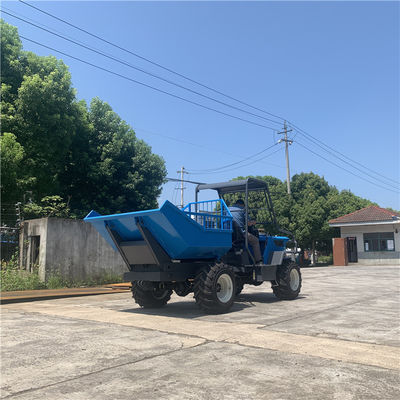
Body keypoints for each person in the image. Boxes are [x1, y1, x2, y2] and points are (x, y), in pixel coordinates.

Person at [229, 199, 263, 264]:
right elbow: (249, 223)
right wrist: (253, 222)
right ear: (242, 204)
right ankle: (259, 261)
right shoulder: (242, 209)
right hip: (240, 233)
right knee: (255, 241)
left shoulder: (227, 209)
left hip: (230, 234)